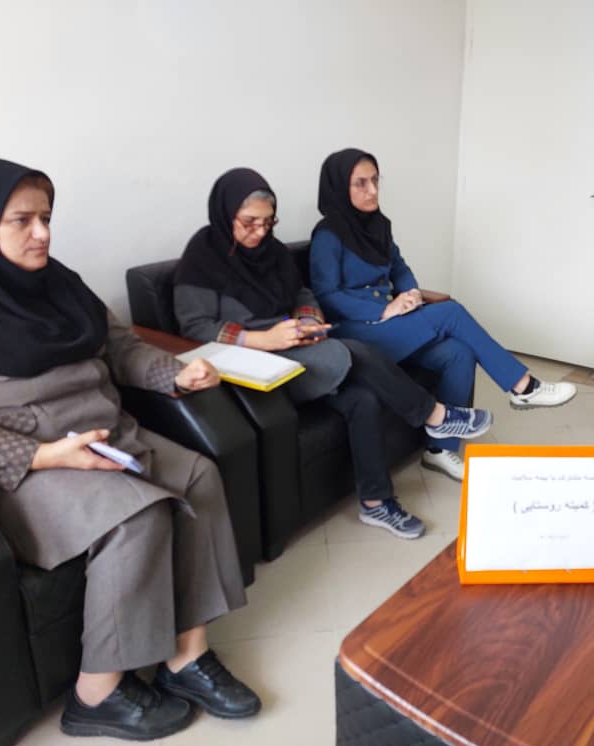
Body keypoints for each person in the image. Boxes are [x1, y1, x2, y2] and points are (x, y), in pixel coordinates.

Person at [0, 158, 261, 742]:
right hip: (23, 466)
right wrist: (44, 456)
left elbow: (120, 348)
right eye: (22, 220)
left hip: (105, 434)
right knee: (138, 516)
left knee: (200, 475)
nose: (43, 233)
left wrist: (174, 374)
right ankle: (95, 694)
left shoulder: (60, 282)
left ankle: (186, 656)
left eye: (46, 217)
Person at [173, 167, 493, 539]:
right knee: (351, 351)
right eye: (249, 223)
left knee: (363, 399)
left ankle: (376, 503)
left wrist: (308, 320)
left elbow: (302, 294)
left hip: (296, 348)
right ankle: (434, 415)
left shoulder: (272, 252)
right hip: (253, 368)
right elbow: (193, 327)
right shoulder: (202, 258)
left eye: (267, 222)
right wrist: (261, 339)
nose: (259, 232)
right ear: (224, 212)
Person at [309, 148, 576, 481]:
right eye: (361, 183)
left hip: (392, 325)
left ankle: (439, 450)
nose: (373, 190)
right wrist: (384, 308)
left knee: (458, 353)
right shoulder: (328, 235)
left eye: (376, 180)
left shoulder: (379, 226)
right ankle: (522, 386)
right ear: (339, 187)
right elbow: (327, 296)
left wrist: (411, 292)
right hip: (357, 334)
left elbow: (399, 267)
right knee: (450, 312)